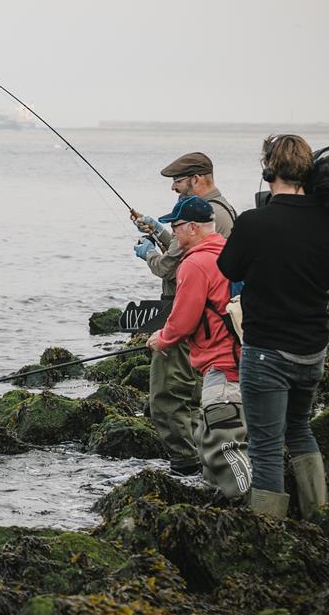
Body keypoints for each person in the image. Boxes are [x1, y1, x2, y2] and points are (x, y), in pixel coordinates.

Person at [217, 134, 329, 519]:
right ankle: (319, 516)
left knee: (265, 447)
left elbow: (228, 269)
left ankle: (269, 530)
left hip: (266, 353)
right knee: (300, 429)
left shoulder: (254, 222)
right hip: (312, 350)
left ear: (268, 170)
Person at [130, 152, 237, 476]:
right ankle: (203, 462)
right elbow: (189, 247)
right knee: (192, 393)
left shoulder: (210, 219)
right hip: (212, 322)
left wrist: (149, 253)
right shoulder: (222, 211)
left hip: (196, 318)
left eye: (177, 182)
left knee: (167, 395)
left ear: (196, 179)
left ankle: (186, 466)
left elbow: (170, 267)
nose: (174, 187)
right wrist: (160, 232)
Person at [145, 196, 250, 499]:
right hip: (249, 362)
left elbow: (182, 322)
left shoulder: (194, 264)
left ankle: (253, 512)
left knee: (224, 451)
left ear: (192, 227)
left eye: (176, 226)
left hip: (223, 368)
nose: (173, 232)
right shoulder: (230, 253)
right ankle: (221, 507)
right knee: (216, 446)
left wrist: (161, 339)